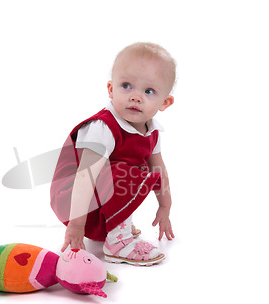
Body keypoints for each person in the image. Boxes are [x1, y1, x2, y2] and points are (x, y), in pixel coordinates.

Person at [50, 42, 176, 266]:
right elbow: (85, 176)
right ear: (111, 89)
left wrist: (165, 206)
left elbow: (159, 170)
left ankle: (115, 226)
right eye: (126, 86)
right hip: (73, 198)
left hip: (96, 198)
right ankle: (118, 244)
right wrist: (76, 225)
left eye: (148, 91)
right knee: (128, 171)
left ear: (164, 102)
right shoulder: (103, 127)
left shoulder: (152, 130)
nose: (136, 97)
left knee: (143, 169)